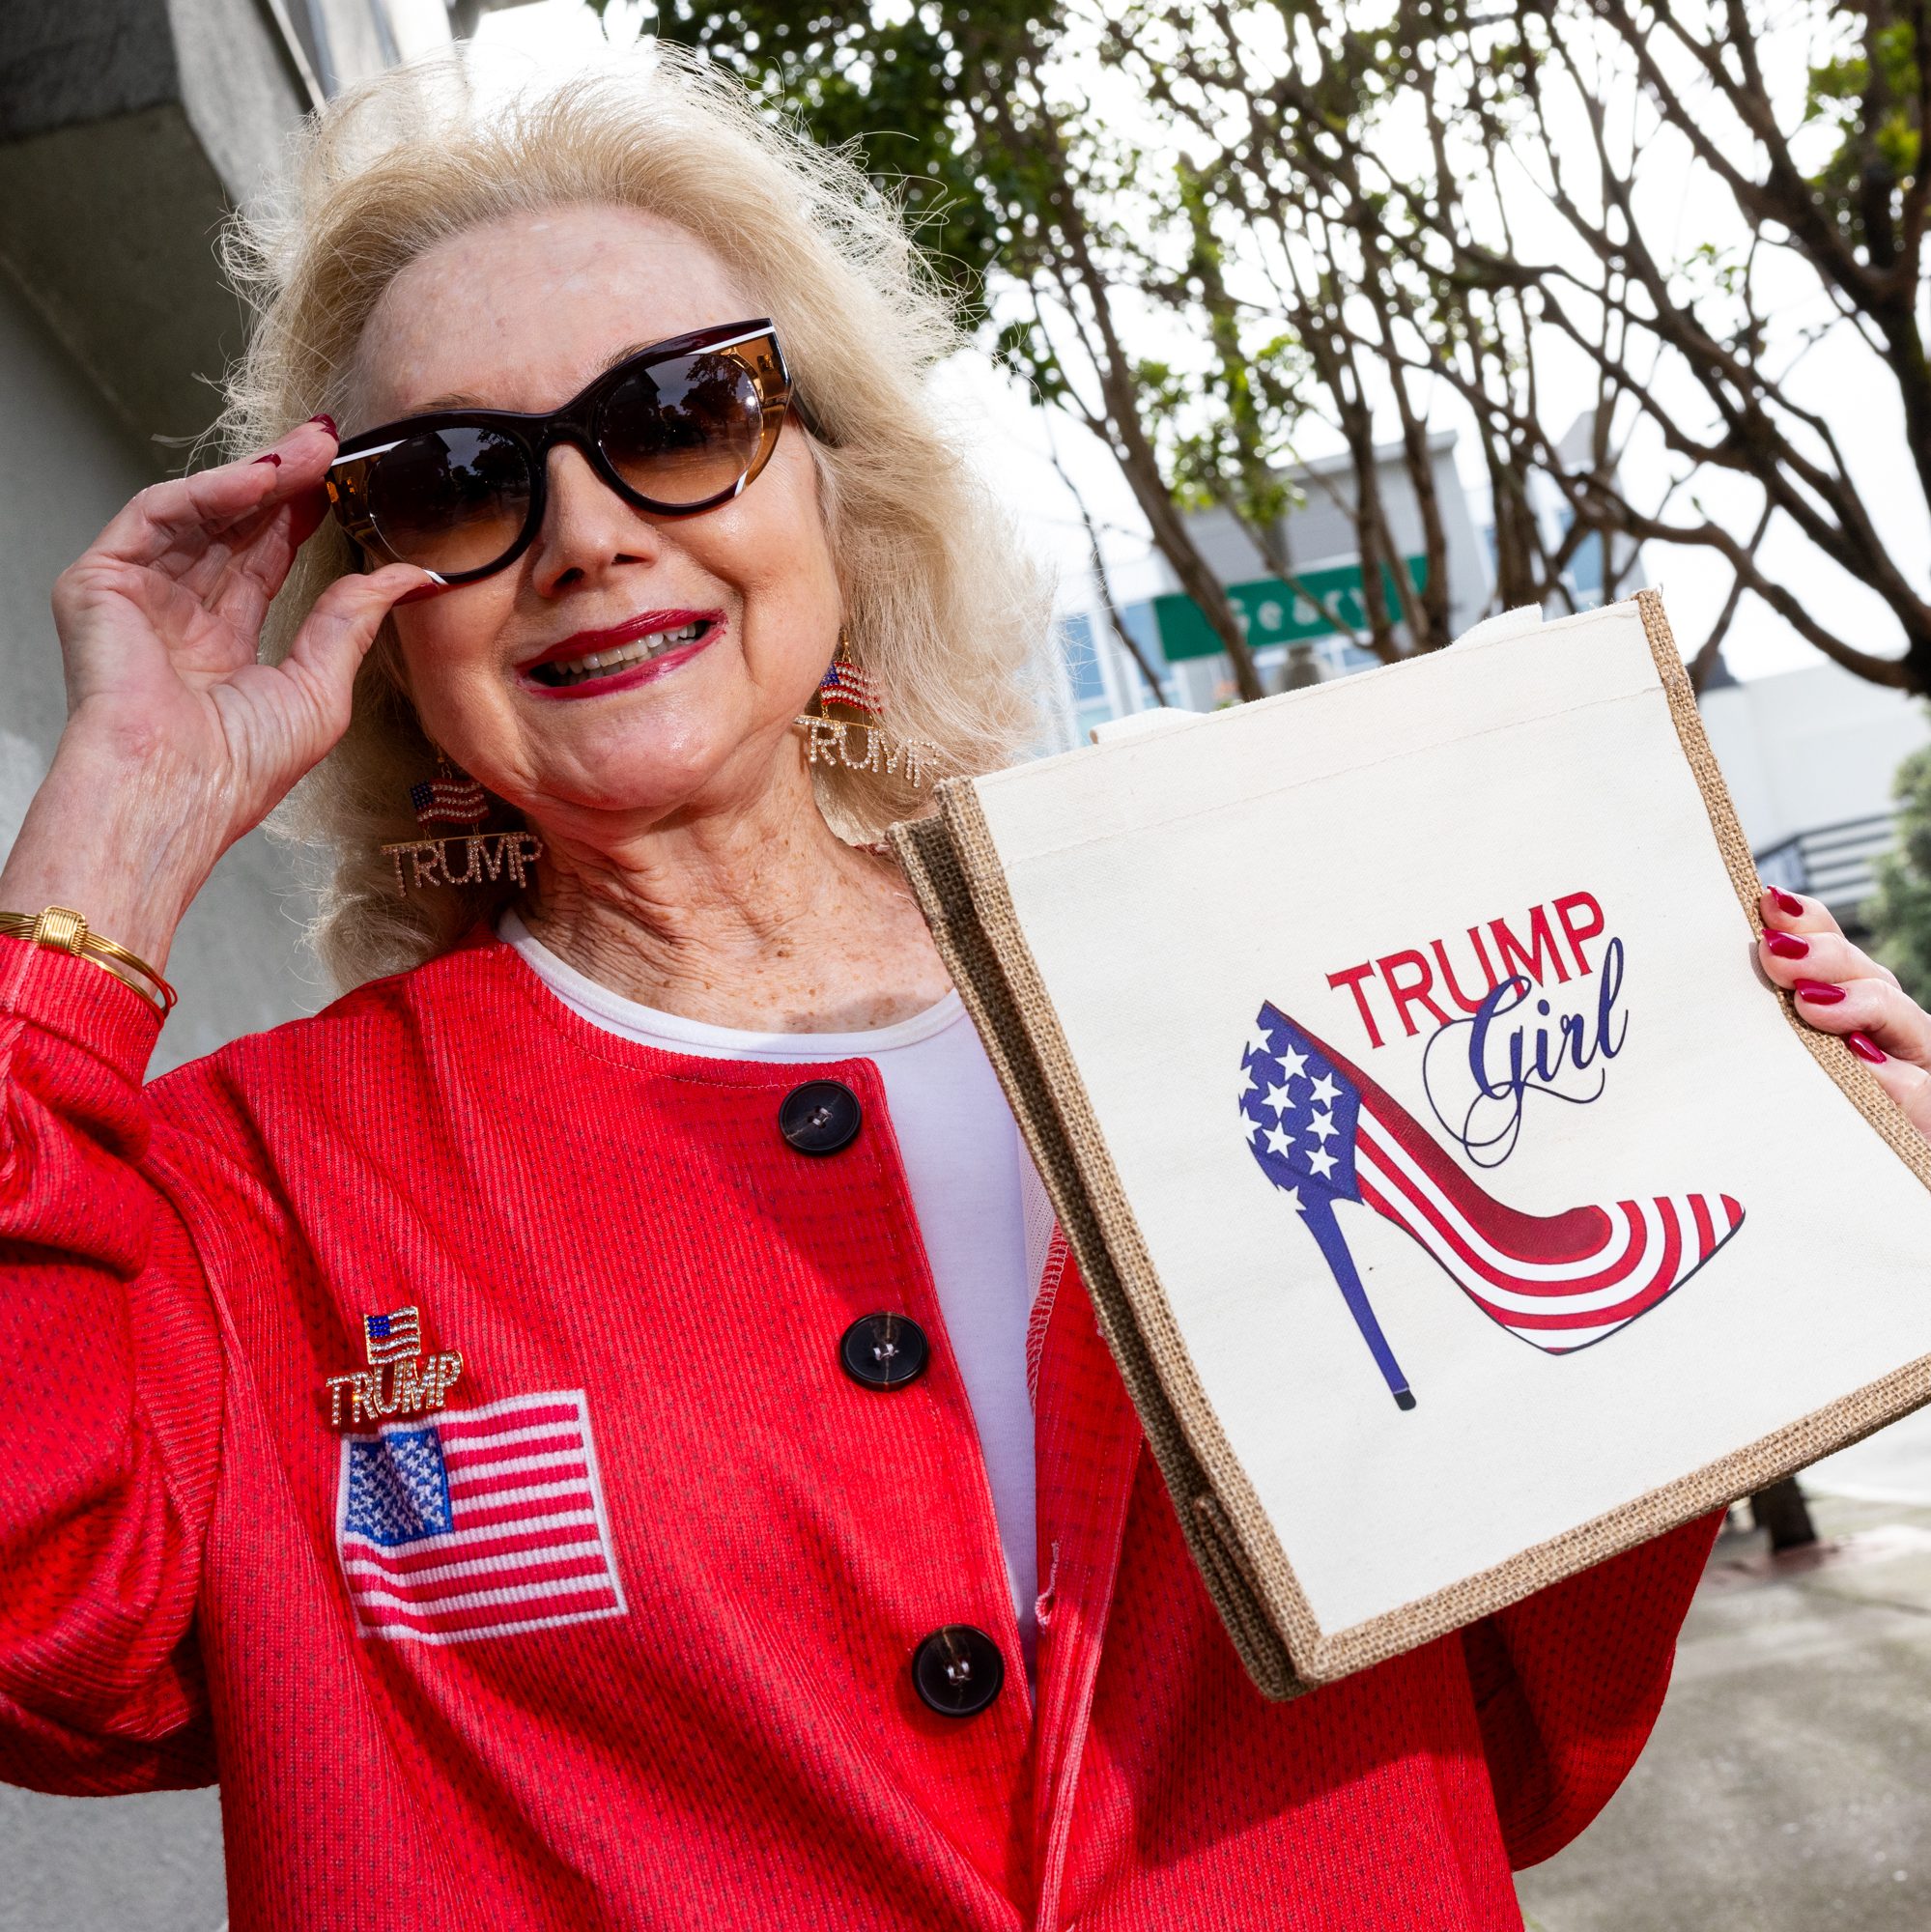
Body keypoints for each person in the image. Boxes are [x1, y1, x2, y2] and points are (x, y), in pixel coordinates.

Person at [2, 45, 1926, 1932]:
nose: (583, 533)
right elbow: (41, 1647)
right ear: (374, 607)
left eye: (679, 413)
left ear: (838, 490)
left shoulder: (1232, 1002)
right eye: (455, 479)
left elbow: (1499, 1736)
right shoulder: (263, 1185)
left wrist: (1808, 1184)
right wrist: (107, 845)